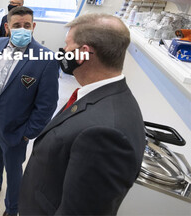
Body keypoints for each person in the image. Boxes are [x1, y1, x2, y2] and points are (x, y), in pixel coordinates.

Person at [18, 13, 146, 216]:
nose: (63, 51)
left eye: (67, 45)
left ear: (83, 53)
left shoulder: (105, 134)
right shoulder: (101, 95)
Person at [0, 6, 59, 216]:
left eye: (26, 25)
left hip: (16, 128)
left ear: (33, 27)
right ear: (7, 27)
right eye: (16, 25)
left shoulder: (45, 59)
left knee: (13, 170)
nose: (22, 29)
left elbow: (47, 104)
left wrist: (28, 132)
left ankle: (13, 209)